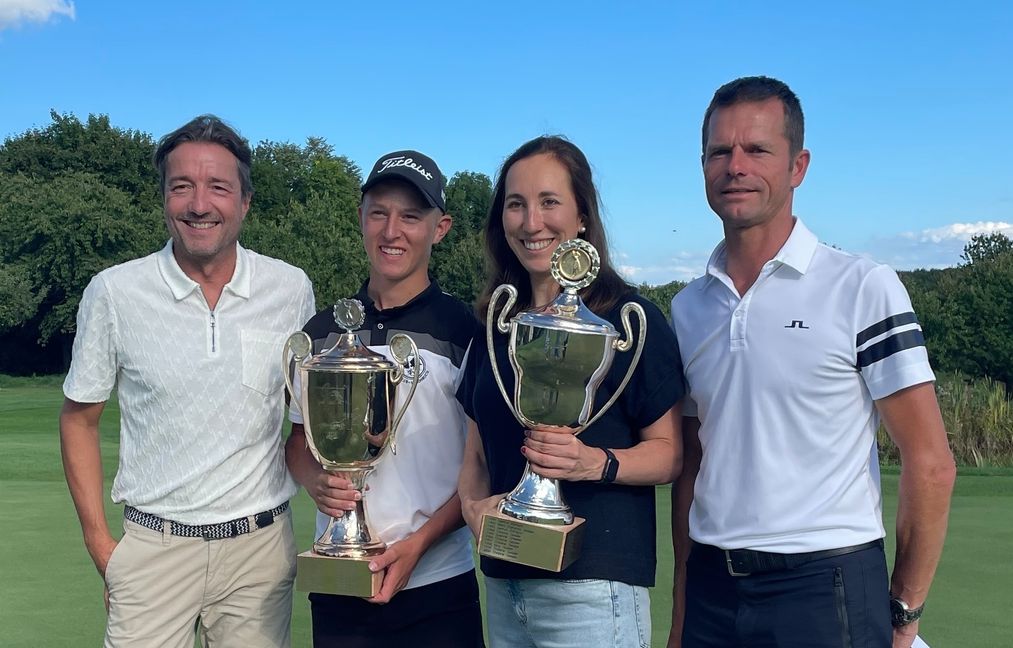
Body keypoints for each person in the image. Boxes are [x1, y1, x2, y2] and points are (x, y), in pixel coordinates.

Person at [668, 76, 956, 648]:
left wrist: (904, 615)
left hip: (827, 587)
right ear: (702, 166)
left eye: (757, 150)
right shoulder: (688, 307)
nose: (736, 166)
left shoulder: (862, 286)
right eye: (719, 152)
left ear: (798, 166)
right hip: (711, 587)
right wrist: (681, 617)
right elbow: (693, 466)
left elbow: (930, 462)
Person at [59, 115, 316, 647]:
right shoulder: (114, 292)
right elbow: (79, 419)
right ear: (164, 199)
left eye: (218, 187)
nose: (200, 204)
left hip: (258, 553)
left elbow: (301, 425)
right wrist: (101, 545)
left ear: (244, 201)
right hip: (153, 548)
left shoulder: (290, 289)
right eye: (182, 187)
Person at [457, 135, 685, 647]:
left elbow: (670, 455)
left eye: (549, 201)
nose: (531, 222)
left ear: (582, 215)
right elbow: (473, 454)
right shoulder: (494, 325)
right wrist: (473, 508)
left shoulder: (630, 321)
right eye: (515, 205)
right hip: (504, 583)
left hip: (594, 589)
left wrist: (592, 462)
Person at [285, 150, 485, 648]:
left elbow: (481, 466)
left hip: (438, 584)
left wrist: (419, 545)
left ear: (440, 228)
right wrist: (316, 481)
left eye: (411, 216)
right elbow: (297, 441)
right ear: (361, 218)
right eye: (379, 212)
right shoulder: (322, 332)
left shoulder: (466, 332)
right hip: (339, 583)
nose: (391, 231)